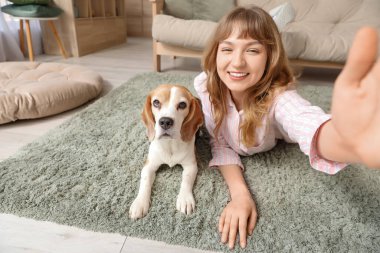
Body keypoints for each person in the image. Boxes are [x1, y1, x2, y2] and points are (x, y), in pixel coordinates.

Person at [193, 6, 380, 250]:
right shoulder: (207, 86)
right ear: (216, 54)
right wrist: (240, 194)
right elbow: (219, 141)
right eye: (227, 49)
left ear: (270, 57)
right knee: (269, 21)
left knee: (271, 24)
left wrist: (347, 140)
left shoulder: (280, 99)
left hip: (277, 110)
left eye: (252, 50)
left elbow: (307, 123)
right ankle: (276, 19)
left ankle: (279, 19)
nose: (237, 61)